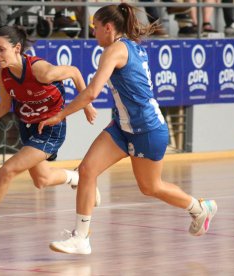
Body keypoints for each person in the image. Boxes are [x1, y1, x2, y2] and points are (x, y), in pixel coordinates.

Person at [38, 3, 217, 255]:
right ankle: (81, 237)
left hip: (147, 128)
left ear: (108, 27)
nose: (94, 33)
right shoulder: (130, 46)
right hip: (123, 127)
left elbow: (91, 92)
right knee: (87, 170)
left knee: (150, 187)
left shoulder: (115, 50)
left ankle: (199, 208)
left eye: (96, 28)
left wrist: (60, 115)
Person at [0, 25, 101, 247]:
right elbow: (3, 106)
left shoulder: (42, 71)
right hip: (27, 126)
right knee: (42, 180)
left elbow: (75, 72)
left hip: (51, 127)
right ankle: (76, 177)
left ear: (17, 48)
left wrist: (87, 103)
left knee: (6, 171)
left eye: (1, 49)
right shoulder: (1, 74)